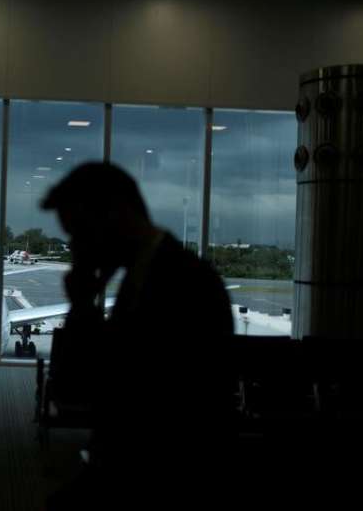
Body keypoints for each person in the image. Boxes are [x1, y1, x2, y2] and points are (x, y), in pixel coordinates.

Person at [41, 161, 234, 507]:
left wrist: (83, 308)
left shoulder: (185, 285)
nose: (76, 247)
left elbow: (115, 391)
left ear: (113, 215)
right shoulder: (145, 274)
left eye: (79, 232)